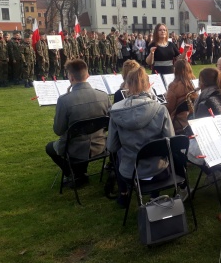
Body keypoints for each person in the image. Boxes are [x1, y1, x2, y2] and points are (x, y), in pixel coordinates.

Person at [107, 67, 175, 207]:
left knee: (119, 154)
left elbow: (112, 147)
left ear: (127, 85)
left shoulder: (115, 111)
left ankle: (124, 194)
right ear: (148, 85)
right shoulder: (160, 109)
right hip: (159, 170)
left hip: (130, 173)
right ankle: (153, 197)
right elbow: (170, 142)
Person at [45, 59, 111, 187]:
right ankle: (79, 173)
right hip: (101, 145)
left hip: (75, 149)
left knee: (49, 147)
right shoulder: (103, 96)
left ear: (70, 77)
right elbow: (110, 123)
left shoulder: (64, 100)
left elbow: (58, 130)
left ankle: (75, 175)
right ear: (87, 76)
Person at [165, 59, 198, 134]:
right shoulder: (195, 82)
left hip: (179, 123)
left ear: (176, 70)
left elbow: (169, 108)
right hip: (194, 118)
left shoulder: (174, 86)